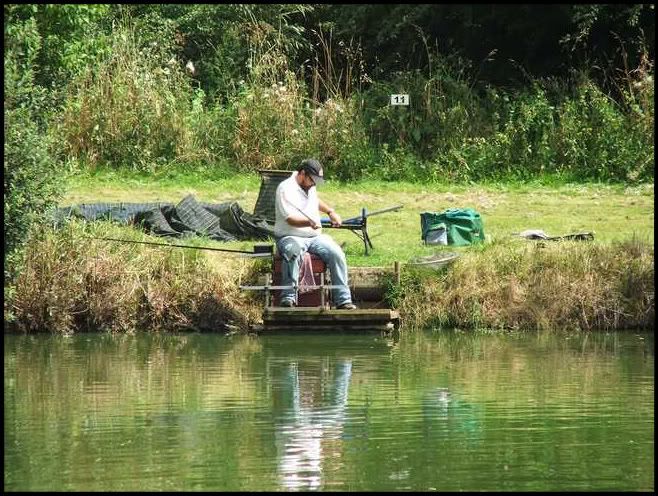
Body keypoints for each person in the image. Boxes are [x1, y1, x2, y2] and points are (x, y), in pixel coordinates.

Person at [274, 158, 357, 309]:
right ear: (303, 173)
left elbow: (315, 200)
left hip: (314, 237)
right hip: (290, 236)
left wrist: (330, 212)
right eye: (312, 179)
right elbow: (290, 219)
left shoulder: (309, 186)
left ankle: (343, 300)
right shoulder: (285, 189)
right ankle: (288, 298)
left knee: (336, 253)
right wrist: (309, 222)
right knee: (293, 252)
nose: (314, 183)